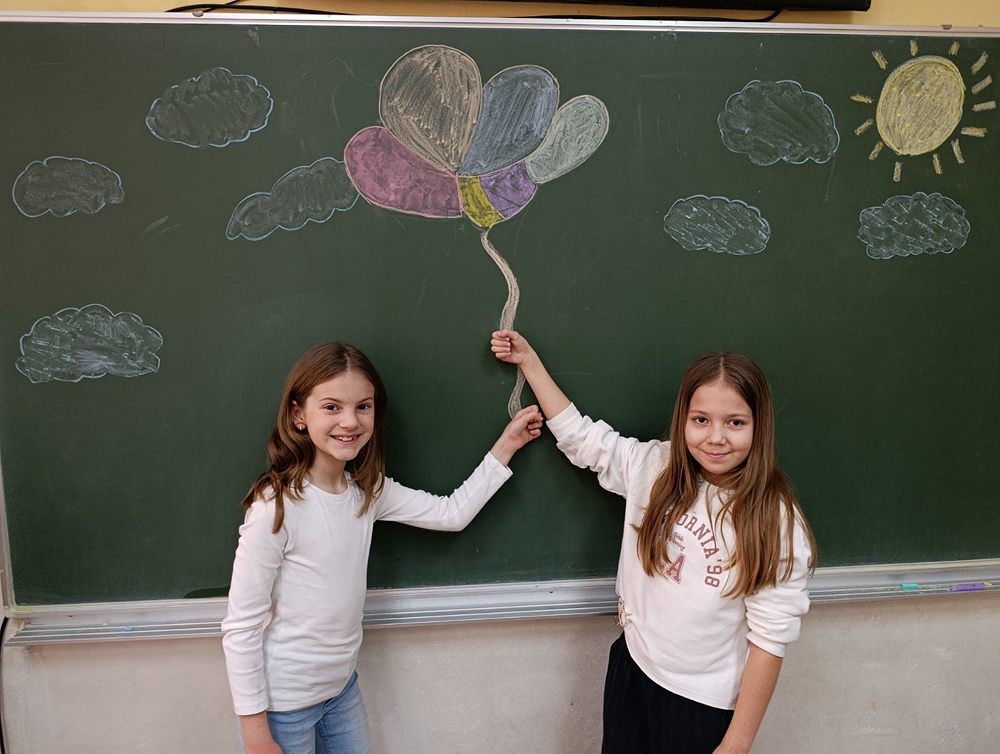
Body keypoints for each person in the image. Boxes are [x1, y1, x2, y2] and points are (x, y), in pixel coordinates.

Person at [491, 329, 815, 754]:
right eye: (701, 420)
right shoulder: (655, 467)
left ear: (760, 425)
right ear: (683, 419)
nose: (715, 437)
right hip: (633, 667)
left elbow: (769, 640)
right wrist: (529, 362)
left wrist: (736, 745)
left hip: (699, 704)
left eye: (735, 422)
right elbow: (583, 439)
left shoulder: (774, 520)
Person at [222, 341, 543, 754]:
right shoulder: (276, 507)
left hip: (340, 690)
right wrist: (255, 734)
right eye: (331, 407)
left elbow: (451, 513)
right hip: (283, 706)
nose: (350, 421)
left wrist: (507, 445)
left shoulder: (367, 492)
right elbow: (242, 625)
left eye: (364, 407)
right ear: (299, 415)